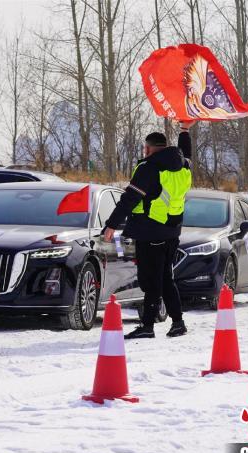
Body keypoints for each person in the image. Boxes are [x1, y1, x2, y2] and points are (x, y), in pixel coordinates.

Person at [103, 121, 194, 339]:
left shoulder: (149, 168)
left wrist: (112, 224)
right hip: (172, 231)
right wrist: (185, 131)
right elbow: (187, 154)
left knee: (150, 280)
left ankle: (148, 326)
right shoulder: (182, 166)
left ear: (148, 148)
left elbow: (130, 198)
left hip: (150, 230)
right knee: (164, 278)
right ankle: (177, 322)